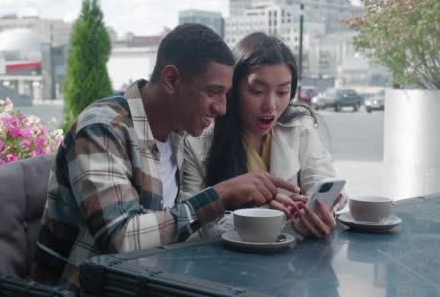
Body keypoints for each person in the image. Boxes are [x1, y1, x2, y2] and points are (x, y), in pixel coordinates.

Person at [30, 24, 299, 289]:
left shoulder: (176, 133)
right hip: (84, 289)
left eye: (226, 94)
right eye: (212, 92)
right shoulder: (102, 129)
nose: (223, 108)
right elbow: (120, 239)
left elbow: (171, 227)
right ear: (171, 80)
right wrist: (221, 194)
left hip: (150, 282)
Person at [181, 32, 342, 238]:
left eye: (282, 92)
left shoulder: (300, 129)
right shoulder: (197, 141)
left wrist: (320, 210)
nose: (271, 106)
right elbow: (187, 222)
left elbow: (323, 179)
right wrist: (263, 215)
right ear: (232, 89)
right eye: (257, 91)